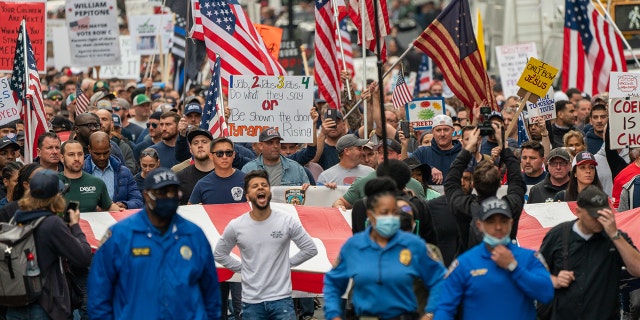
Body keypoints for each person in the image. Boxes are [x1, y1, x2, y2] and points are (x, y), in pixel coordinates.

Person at [88, 168, 222, 320]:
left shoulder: (193, 234)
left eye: (173, 192)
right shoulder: (120, 235)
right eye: (161, 193)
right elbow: (99, 294)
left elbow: (211, 292)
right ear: (147, 195)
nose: (168, 197)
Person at [323, 177, 446, 320]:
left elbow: (439, 280)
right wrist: (333, 314)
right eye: (384, 212)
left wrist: (430, 313)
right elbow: (333, 283)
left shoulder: (415, 246)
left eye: (394, 213)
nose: (390, 218)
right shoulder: (354, 247)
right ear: (371, 215)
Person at [214, 170, 317, 319]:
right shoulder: (236, 225)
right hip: (252, 303)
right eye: (255, 186)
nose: (261, 188)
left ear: (269, 192)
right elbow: (219, 254)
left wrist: (287, 264)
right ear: (247, 196)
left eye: (264, 185)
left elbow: (310, 248)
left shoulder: (287, 221)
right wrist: (242, 268)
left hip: (282, 300)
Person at [435, 197, 554, 320]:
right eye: (491, 221)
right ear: (480, 225)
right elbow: (444, 307)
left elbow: (546, 294)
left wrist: (514, 267)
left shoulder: (530, 258)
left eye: (503, 221)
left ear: (511, 224)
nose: (498, 227)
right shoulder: (464, 263)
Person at [538, 185, 640, 320]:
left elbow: (637, 269)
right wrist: (554, 280)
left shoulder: (615, 237)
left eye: (602, 214)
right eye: (593, 215)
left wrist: (615, 235)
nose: (598, 220)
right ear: (578, 211)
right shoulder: (558, 235)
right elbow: (536, 272)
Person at [6, 170, 92, 320]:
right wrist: (75, 226)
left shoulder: (16, 218)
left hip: (16, 303)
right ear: (56, 197)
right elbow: (83, 257)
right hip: (45, 306)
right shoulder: (52, 224)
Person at [444, 127, 526, 247]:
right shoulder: (510, 205)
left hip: (472, 263)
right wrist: (504, 147)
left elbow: (451, 181)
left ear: (473, 184)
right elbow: (517, 181)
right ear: (499, 183)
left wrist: (468, 148)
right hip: (505, 260)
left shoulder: (464, 206)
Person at [82, 132, 143, 210]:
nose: (102, 158)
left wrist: (125, 205)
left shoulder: (124, 173)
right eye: (97, 154)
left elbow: (138, 201)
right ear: (89, 149)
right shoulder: (81, 172)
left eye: (105, 153)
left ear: (110, 147)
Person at [58, 140, 119, 213]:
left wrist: (124, 214)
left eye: (80, 154)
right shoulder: (52, 182)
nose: (77, 158)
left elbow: (109, 206)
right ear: (62, 158)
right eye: (71, 154)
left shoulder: (97, 183)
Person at [241, 128, 310, 187]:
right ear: (260, 145)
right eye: (270, 143)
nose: (275, 146)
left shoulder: (296, 168)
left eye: (277, 142)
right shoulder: (248, 169)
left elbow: (307, 196)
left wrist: (308, 189)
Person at [189, 137, 246, 204]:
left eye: (228, 153)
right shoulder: (202, 184)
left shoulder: (246, 180)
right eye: (219, 153)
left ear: (234, 155)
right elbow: (190, 210)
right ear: (211, 156)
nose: (224, 157)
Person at [408, 114, 462, 185]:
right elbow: (407, 167)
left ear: (452, 131)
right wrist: (428, 169)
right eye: (438, 130)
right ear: (433, 132)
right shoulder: (422, 152)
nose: (442, 134)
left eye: (446, 130)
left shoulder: (463, 154)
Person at [176, 129, 216, 205]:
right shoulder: (179, 177)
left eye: (204, 142)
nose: (200, 145)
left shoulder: (225, 174)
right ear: (190, 149)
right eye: (195, 143)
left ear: (212, 147)